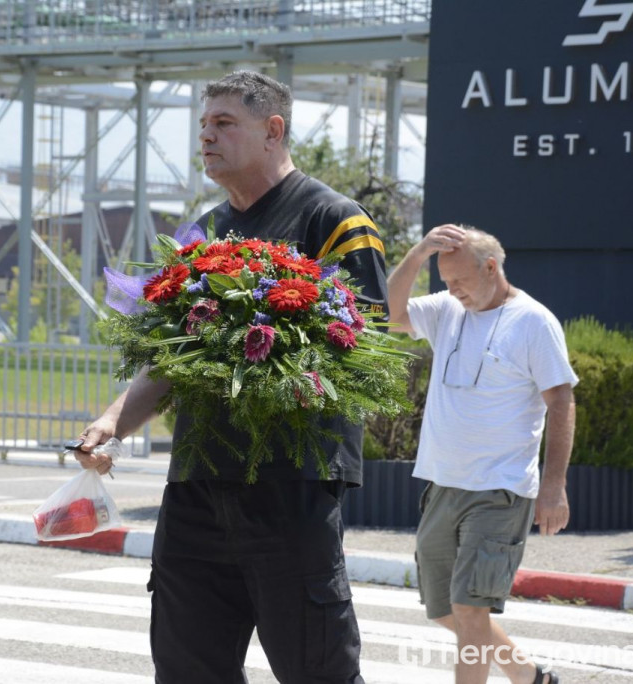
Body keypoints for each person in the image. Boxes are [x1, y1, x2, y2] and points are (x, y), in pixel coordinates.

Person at [72, 70, 388, 683]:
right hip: (196, 483)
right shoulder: (205, 234)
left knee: (317, 671)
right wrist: (112, 421)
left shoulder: (334, 220)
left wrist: (267, 361)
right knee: (188, 670)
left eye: (224, 124)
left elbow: (364, 348)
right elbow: (170, 357)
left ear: (273, 131)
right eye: (203, 126)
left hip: (289, 484)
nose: (206, 138)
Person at [387, 223, 577, 684]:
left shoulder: (533, 322)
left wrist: (553, 487)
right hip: (442, 484)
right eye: (445, 281)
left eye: (460, 282)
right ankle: (531, 677)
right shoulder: (447, 309)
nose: (452, 291)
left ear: (490, 268)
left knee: (470, 611)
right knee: (443, 609)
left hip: (499, 489)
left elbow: (562, 402)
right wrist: (417, 254)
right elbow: (388, 314)